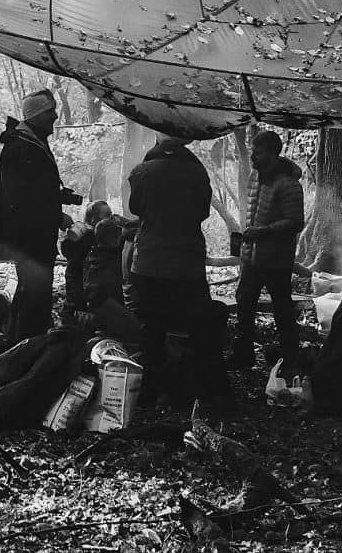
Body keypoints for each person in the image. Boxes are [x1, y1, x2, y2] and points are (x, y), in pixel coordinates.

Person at [127, 135, 228, 413]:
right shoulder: (197, 172)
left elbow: (135, 208)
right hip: (187, 262)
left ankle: (150, 392)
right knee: (197, 327)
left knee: (151, 329)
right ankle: (195, 391)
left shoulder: (141, 171)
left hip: (148, 261)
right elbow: (203, 212)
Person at [0, 88, 82, 340]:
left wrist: (61, 198)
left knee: (31, 294)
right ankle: (29, 349)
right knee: (35, 297)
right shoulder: (22, 148)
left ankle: (20, 345)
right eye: (50, 112)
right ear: (35, 116)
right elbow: (22, 200)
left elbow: (36, 189)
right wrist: (57, 216)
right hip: (29, 239)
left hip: (33, 238)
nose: (55, 116)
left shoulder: (30, 143)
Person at [231, 129, 304, 370]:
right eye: (253, 151)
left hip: (276, 261)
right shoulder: (255, 177)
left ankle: (290, 359)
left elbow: (295, 222)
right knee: (244, 304)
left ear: (272, 153)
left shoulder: (289, 184)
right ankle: (243, 355)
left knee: (282, 310)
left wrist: (263, 232)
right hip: (252, 258)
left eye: (257, 152)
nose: (253, 156)